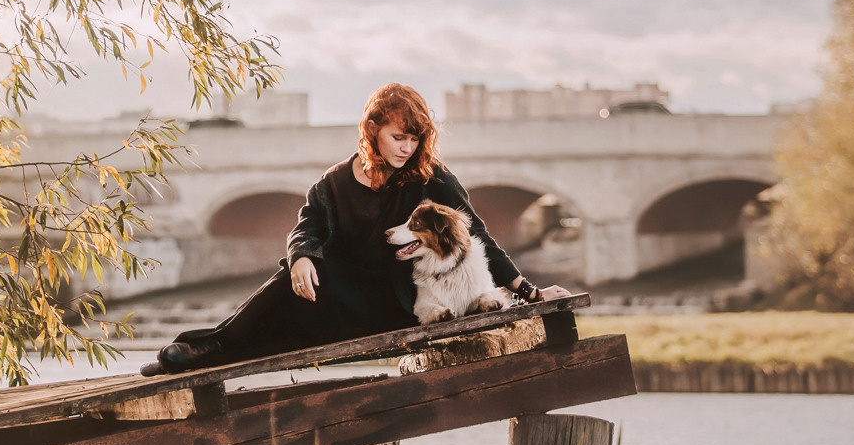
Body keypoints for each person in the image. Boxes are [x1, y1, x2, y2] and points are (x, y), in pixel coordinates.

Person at [145, 83, 569, 375]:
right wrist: (301, 256)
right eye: (399, 137)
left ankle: (198, 352)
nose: (408, 148)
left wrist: (530, 291)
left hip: (399, 302)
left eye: (415, 140)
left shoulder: (431, 177)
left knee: (289, 328)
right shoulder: (335, 182)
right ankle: (203, 350)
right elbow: (306, 225)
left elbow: (477, 237)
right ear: (373, 131)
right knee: (289, 285)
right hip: (342, 293)